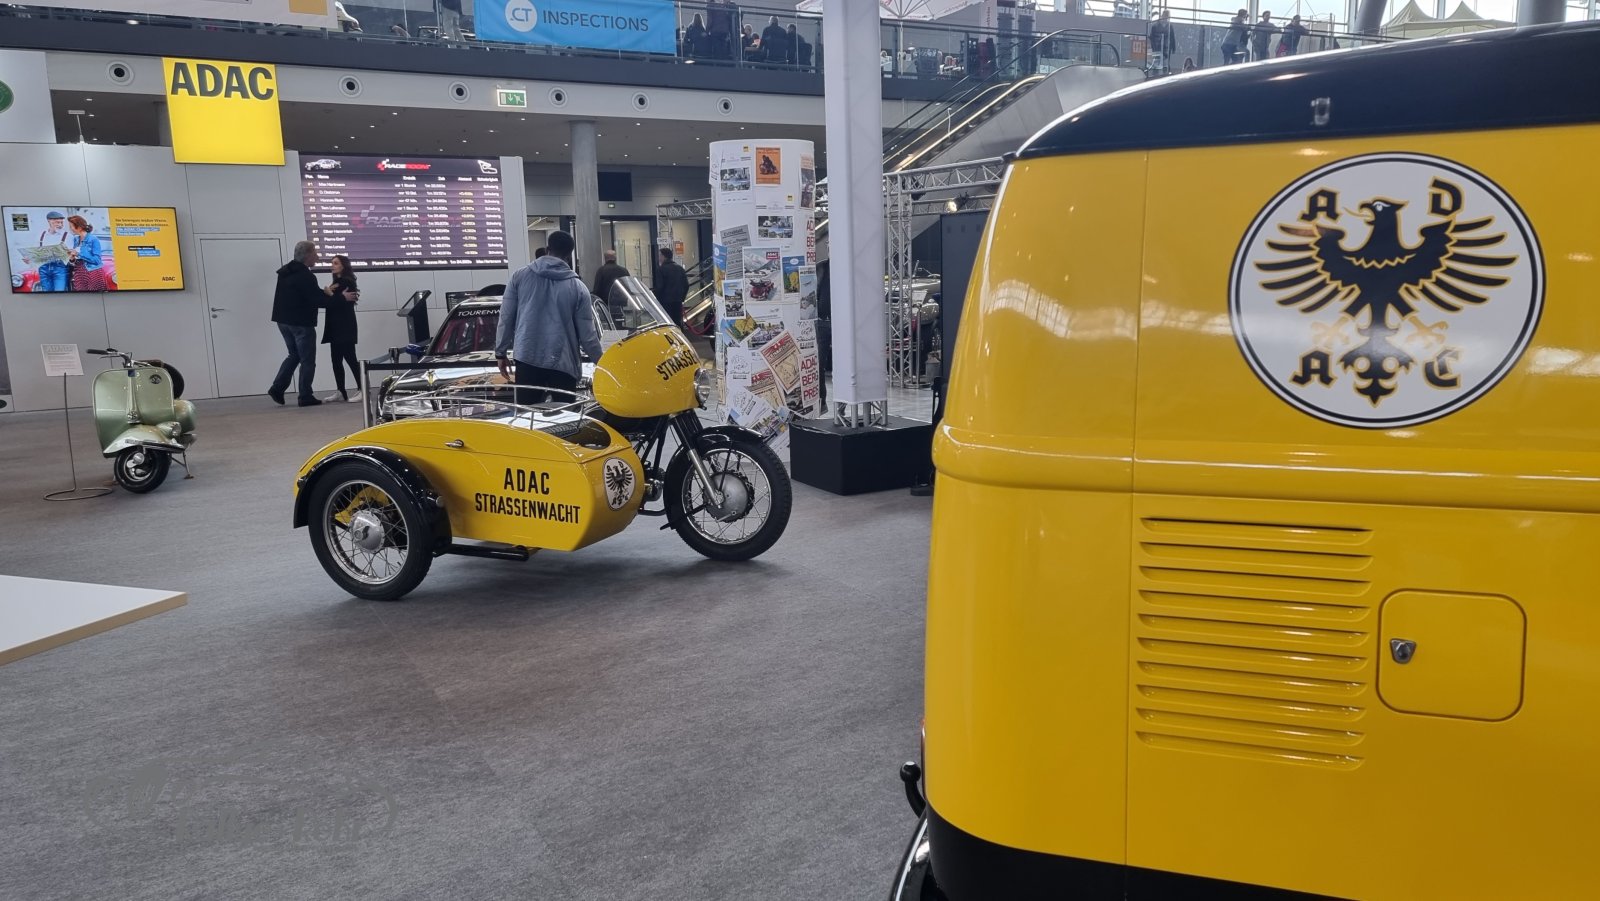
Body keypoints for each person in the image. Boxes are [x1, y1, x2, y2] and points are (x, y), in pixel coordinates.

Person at [494, 231, 601, 405]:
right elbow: (588, 335)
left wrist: (500, 353)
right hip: (564, 364)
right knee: (566, 417)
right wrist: (602, 363)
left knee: (527, 416)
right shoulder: (578, 287)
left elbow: (506, 317)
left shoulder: (519, 277)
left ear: (547, 249)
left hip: (527, 359)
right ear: (569, 255)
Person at [269, 240, 325, 407]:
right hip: (301, 323)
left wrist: (324, 293)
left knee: (294, 355)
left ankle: (277, 388)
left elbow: (306, 293)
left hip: (283, 321)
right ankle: (305, 396)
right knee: (307, 360)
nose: (317, 257)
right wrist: (339, 298)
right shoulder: (306, 276)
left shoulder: (285, 271)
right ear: (307, 255)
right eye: (315, 253)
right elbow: (316, 299)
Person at [321, 254, 362, 403]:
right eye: (332, 263)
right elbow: (331, 302)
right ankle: (340, 390)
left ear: (343, 265)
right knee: (336, 360)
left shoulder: (347, 281)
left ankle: (362, 388)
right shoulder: (336, 283)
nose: (332, 266)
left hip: (345, 325)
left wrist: (330, 293)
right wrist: (332, 295)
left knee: (350, 358)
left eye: (336, 263)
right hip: (335, 326)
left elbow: (341, 303)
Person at [65, 215, 108, 292]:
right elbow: (75, 260)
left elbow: (97, 260)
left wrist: (78, 254)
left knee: (95, 297)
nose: (71, 228)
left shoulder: (93, 239)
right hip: (79, 273)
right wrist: (71, 258)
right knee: (82, 297)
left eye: (71, 226)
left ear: (79, 227)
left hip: (93, 272)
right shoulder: (75, 240)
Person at [33, 211, 71, 293]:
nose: (60, 225)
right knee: (46, 293)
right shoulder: (41, 235)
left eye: (61, 222)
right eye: (57, 222)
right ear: (49, 221)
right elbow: (36, 251)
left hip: (59, 267)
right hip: (44, 268)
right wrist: (30, 258)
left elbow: (70, 254)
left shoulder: (67, 236)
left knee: (59, 292)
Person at [653, 247, 689, 327]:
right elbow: (686, 285)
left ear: (663, 256)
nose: (659, 258)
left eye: (660, 255)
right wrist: (682, 298)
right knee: (677, 322)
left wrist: (655, 297)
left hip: (665, 302)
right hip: (677, 301)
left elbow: (660, 287)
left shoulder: (661, 269)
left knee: (667, 323)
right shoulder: (680, 268)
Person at [592, 249, 631, 319]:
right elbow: (628, 286)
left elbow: (597, 288)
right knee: (619, 320)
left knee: (607, 320)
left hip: (605, 302)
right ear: (615, 258)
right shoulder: (623, 270)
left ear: (605, 258)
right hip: (619, 302)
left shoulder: (601, 270)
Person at [1148, 10, 1176, 76]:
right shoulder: (1156, 26)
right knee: (1157, 64)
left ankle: (1164, 76)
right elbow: (1152, 37)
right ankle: (1156, 77)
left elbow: (1172, 37)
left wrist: (1173, 48)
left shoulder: (1169, 26)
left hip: (1166, 49)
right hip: (1157, 48)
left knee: (1164, 65)